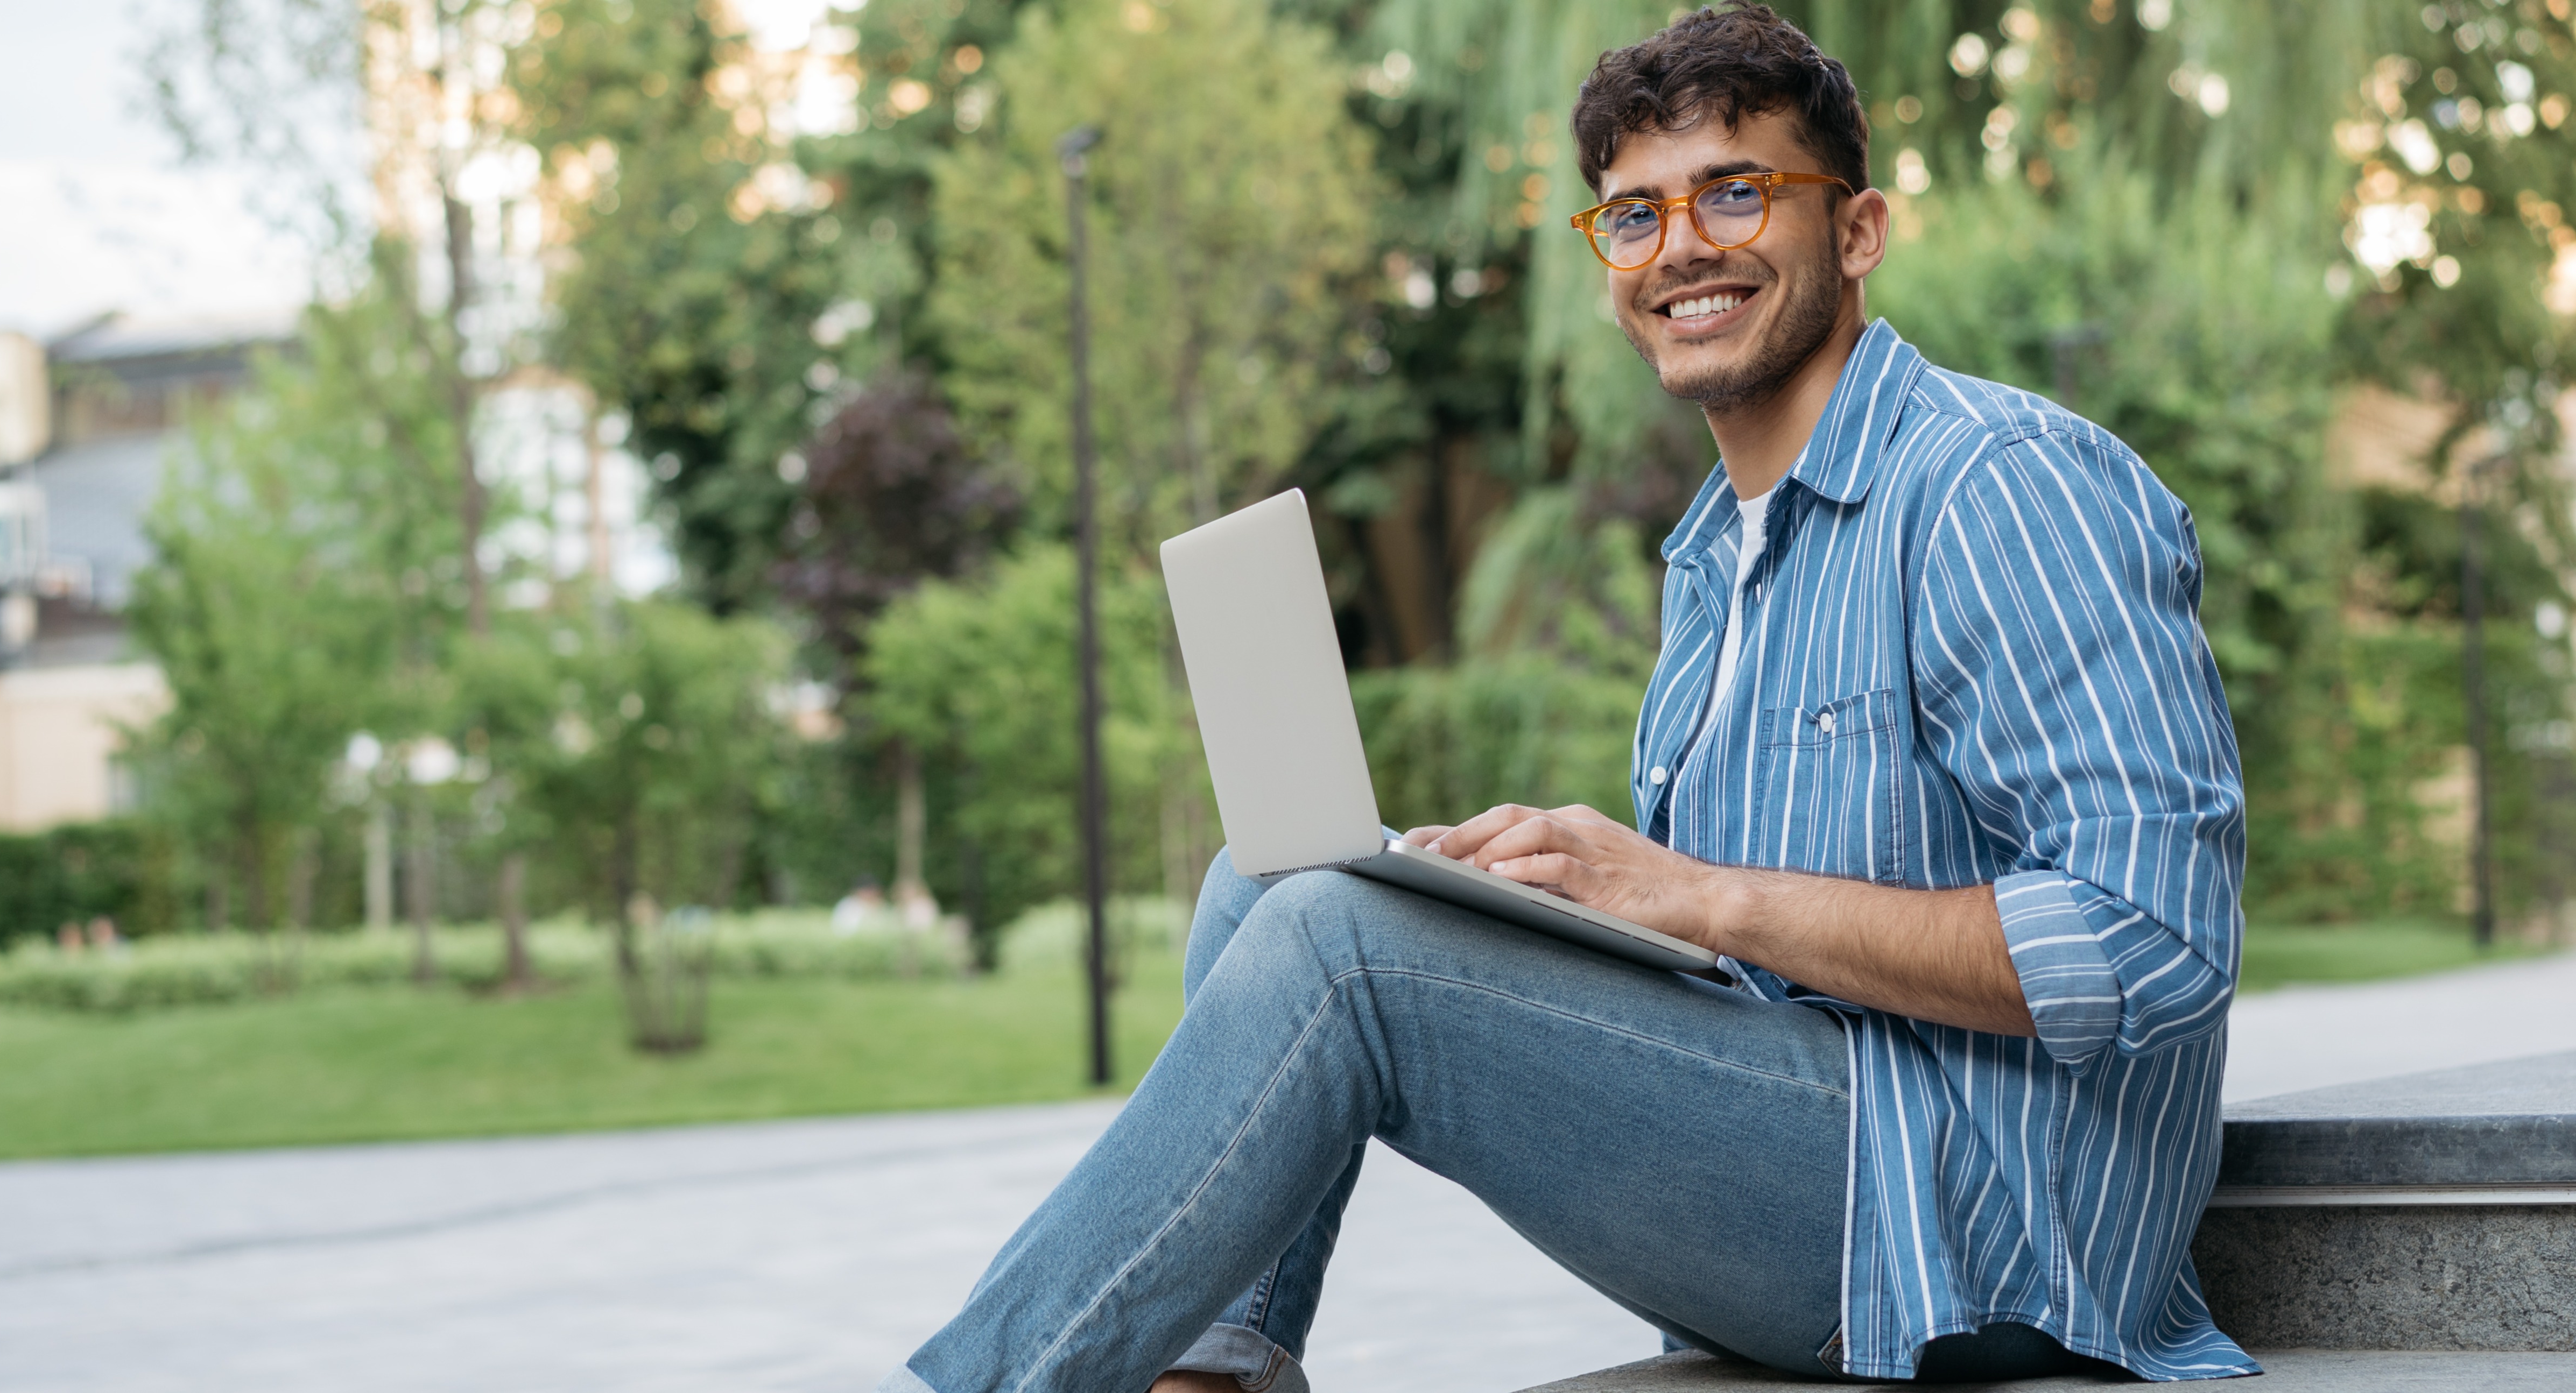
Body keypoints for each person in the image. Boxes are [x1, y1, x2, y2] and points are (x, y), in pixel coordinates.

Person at [882, 6, 2252, 1388]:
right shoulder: (1721, 552)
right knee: (1272, 876)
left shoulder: (1996, 484)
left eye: (1736, 192)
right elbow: (1755, 964)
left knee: (1337, 944)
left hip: (1978, 1229)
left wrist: (1697, 894)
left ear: (1857, 230)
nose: (1682, 250)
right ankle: (1201, 1376)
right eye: (1634, 216)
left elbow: (2153, 942)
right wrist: (1533, 904)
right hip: (1819, 1152)